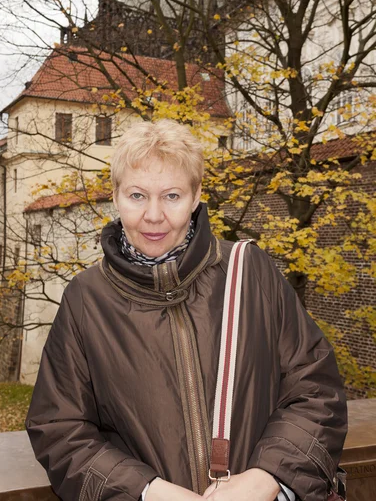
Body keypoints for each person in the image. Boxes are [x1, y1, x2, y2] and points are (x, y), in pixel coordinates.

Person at [25, 119, 347, 501]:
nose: (154, 215)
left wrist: (269, 477)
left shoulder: (250, 272)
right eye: (137, 195)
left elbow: (316, 389)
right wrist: (146, 491)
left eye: (172, 196)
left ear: (196, 198)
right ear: (115, 197)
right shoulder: (85, 298)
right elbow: (60, 429)